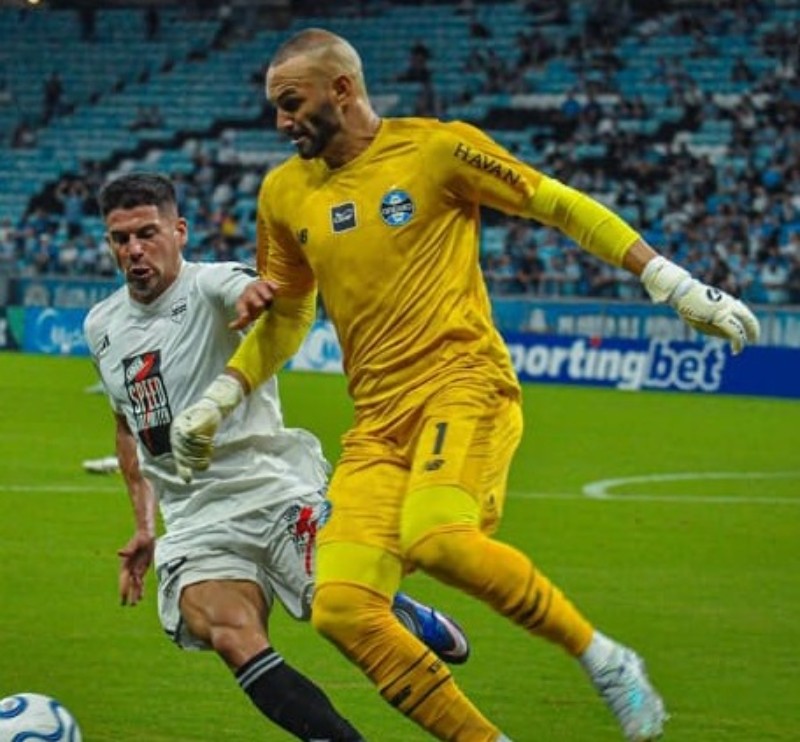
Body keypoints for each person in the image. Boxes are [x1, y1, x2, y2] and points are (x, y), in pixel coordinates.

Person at [170, 29, 761, 742]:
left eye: (292, 104)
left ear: (344, 90)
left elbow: (557, 203)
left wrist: (671, 283)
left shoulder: (436, 149)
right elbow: (291, 313)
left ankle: (605, 659)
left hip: (463, 386)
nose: (281, 122)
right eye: (275, 107)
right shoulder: (283, 192)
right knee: (341, 607)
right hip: (378, 423)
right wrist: (221, 395)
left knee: (439, 539)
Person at [83, 172, 470, 742]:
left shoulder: (210, 283)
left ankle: (403, 612)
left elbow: (248, 288)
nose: (134, 251)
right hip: (195, 519)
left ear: (179, 231)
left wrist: (256, 295)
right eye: (120, 239)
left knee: (348, 620)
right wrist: (144, 525)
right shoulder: (101, 327)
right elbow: (127, 425)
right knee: (226, 632)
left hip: (272, 488)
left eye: (147, 233)